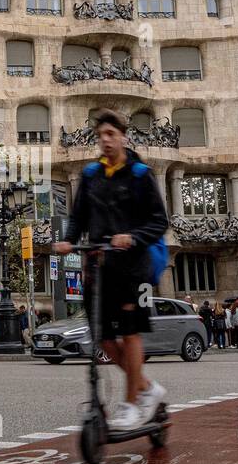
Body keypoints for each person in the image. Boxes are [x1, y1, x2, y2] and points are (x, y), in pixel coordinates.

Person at [52, 109, 169, 431]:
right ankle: (147, 387)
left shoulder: (140, 174)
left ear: (123, 137)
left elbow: (159, 222)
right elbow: (78, 218)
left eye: (111, 134)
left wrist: (132, 237)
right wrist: (68, 240)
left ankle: (132, 404)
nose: (105, 140)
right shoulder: (91, 175)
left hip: (133, 267)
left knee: (130, 333)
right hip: (99, 266)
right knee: (102, 339)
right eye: (101, 135)